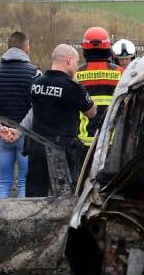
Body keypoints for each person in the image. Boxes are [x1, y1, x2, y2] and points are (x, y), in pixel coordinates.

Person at [18, 44, 97, 197]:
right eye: (76, 62)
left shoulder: (36, 83)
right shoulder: (72, 87)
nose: (77, 67)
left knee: (35, 194)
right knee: (64, 196)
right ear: (68, 60)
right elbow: (91, 112)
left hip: (37, 147)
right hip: (62, 149)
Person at [0, 31, 39, 198]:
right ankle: (23, 215)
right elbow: (37, 107)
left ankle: (1, 215)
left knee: (4, 181)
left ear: (8, 48)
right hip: (26, 138)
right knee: (24, 181)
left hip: (2, 137)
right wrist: (19, 130)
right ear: (27, 48)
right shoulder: (35, 74)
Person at [74, 27, 122, 148]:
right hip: (111, 142)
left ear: (85, 49)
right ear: (108, 48)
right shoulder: (121, 73)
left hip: (84, 142)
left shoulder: (76, 74)